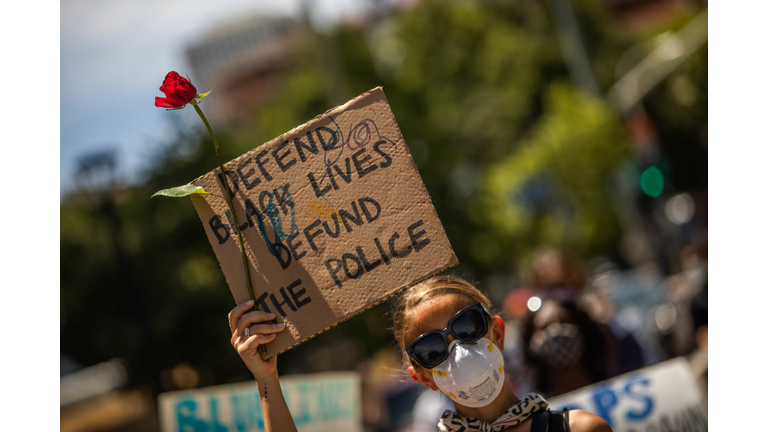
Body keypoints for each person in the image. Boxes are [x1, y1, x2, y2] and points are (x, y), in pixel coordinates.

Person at [228, 275, 612, 431]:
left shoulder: (580, 430)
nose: (458, 350)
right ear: (422, 376)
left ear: (497, 332)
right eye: (431, 349)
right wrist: (266, 378)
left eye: (467, 327)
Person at [520, 299, 615, 398]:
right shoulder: (535, 405)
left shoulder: (615, 389)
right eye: (544, 327)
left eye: (563, 322)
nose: (555, 330)